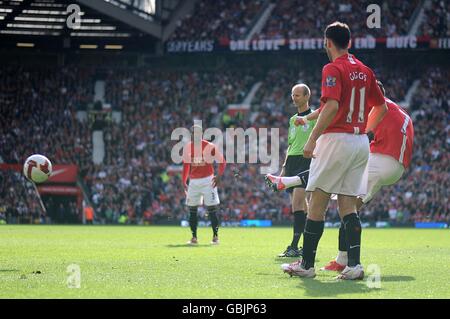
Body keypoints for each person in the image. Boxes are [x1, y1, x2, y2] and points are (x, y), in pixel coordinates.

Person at [281, 21, 387, 280]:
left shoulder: (332, 68)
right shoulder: (365, 70)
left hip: (336, 140)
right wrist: (367, 133)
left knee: (317, 202)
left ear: (327, 42)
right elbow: (381, 107)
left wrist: (312, 139)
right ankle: (354, 266)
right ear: (349, 42)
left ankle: (306, 265)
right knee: (348, 204)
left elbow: (331, 107)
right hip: (360, 141)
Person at [321, 80, 415, 271]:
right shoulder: (398, 109)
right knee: (352, 207)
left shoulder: (376, 109)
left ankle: (345, 261)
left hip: (381, 159)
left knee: (345, 203)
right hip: (396, 167)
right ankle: (343, 259)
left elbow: (356, 135)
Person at [265, 84, 317, 257]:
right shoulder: (292, 119)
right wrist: (283, 170)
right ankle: (307, 244)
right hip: (292, 162)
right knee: (302, 205)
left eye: (297, 95)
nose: (294, 98)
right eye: (293, 95)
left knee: (297, 204)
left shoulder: (315, 117)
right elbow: (290, 145)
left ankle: (294, 246)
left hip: (306, 161)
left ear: (306, 96)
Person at [182, 124, 226, 245]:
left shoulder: (209, 146)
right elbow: (186, 165)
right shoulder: (188, 148)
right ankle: (194, 237)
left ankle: (215, 237)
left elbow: (222, 161)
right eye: (193, 133)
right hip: (194, 181)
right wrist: (184, 180)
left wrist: (219, 175)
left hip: (208, 180)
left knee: (212, 209)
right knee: (192, 210)